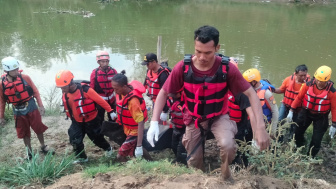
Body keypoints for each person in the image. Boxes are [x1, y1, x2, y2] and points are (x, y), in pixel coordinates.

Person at [146, 25, 270, 181]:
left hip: (219, 116)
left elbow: (251, 94)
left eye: (208, 52)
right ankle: (202, 180)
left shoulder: (227, 68)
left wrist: (260, 128)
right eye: (198, 51)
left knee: (228, 146)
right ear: (194, 47)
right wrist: (154, 122)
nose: (202, 57)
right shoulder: (183, 67)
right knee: (193, 160)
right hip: (194, 118)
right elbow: (164, 92)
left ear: (217, 48)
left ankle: (225, 173)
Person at [55, 70, 115, 163]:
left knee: (97, 139)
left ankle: (108, 149)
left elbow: (101, 101)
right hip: (77, 121)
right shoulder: (65, 93)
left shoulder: (86, 90)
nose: (62, 90)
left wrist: (110, 111)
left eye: (63, 87)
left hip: (91, 120)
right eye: (61, 88)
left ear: (70, 83)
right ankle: (82, 158)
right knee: (75, 139)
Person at [0, 57, 51, 159]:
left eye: (16, 69)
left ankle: (43, 146)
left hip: (30, 105)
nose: (16, 71)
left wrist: (41, 105)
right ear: (6, 71)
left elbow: (35, 91)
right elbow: (2, 101)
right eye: (13, 70)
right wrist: (1, 117)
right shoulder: (2, 84)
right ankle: (29, 152)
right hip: (17, 109)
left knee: (38, 127)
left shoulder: (25, 78)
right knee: (24, 131)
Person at [288, 65, 336, 157]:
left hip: (321, 117)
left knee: (316, 139)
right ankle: (299, 146)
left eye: (321, 81)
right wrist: (291, 110)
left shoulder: (332, 92)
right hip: (306, 112)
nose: (318, 82)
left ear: (327, 80)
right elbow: (299, 98)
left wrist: (334, 124)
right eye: (317, 79)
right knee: (297, 132)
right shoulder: (307, 85)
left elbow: (334, 108)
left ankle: (310, 157)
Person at [111, 70, 152, 162]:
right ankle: (151, 161)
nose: (114, 91)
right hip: (127, 128)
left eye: (116, 89)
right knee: (133, 149)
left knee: (120, 156)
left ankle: (129, 170)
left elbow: (140, 122)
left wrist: (139, 145)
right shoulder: (121, 93)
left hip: (134, 131)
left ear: (124, 86)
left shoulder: (133, 102)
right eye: (113, 88)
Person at [274, 65, 309, 141]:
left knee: (295, 125)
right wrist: (271, 89)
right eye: (301, 76)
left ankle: (291, 140)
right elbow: (281, 90)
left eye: (304, 75)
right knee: (280, 121)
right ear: (295, 74)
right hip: (285, 104)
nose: (303, 77)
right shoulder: (288, 80)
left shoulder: (309, 84)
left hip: (298, 109)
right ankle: (279, 139)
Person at [243, 68, 279, 137]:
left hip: (264, 125)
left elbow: (275, 112)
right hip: (252, 122)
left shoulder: (267, 94)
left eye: (247, 83)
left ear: (254, 82)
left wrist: (272, 131)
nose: (245, 85)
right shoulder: (249, 90)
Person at [142, 53, 170, 124]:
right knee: (157, 120)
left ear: (154, 62)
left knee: (160, 119)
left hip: (162, 102)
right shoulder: (149, 70)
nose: (147, 66)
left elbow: (166, 94)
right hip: (155, 100)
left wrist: (164, 111)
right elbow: (145, 84)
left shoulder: (163, 75)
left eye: (148, 64)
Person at [90, 51, 117, 122]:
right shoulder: (94, 73)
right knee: (99, 119)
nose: (105, 64)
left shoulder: (114, 72)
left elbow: (119, 86)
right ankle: (101, 131)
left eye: (106, 61)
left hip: (112, 100)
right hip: (100, 101)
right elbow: (91, 89)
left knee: (113, 119)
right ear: (98, 62)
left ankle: (111, 132)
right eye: (102, 62)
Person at [167, 91, 187, 165]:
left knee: (181, 148)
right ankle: (179, 159)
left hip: (186, 128)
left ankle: (182, 162)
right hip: (176, 126)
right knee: (174, 145)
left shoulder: (185, 101)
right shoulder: (170, 100)